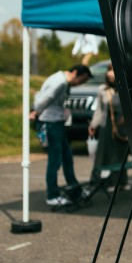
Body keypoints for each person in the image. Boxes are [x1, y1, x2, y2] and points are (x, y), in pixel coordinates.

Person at [30, 64, 91, 206]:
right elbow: (44, 99)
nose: (81, 83)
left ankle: (74, 190)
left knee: (67, 158)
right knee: (55, 161)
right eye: (82, 80)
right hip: (51, 124)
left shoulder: (59, 79)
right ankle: (52, 196)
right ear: (75, 73)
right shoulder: (60, 82)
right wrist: (36, 112)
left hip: (57, 123)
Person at [87, 64, 130, 191]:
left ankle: (122, 182)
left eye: (113, 70)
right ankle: (101, 182)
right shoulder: (103, 89)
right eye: (108, 71)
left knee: (121, 155)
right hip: (107, 126)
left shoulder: (125, 88)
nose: (110, 73)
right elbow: (99, 110)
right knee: (104, 155)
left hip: (123, 126)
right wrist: (93, 125)